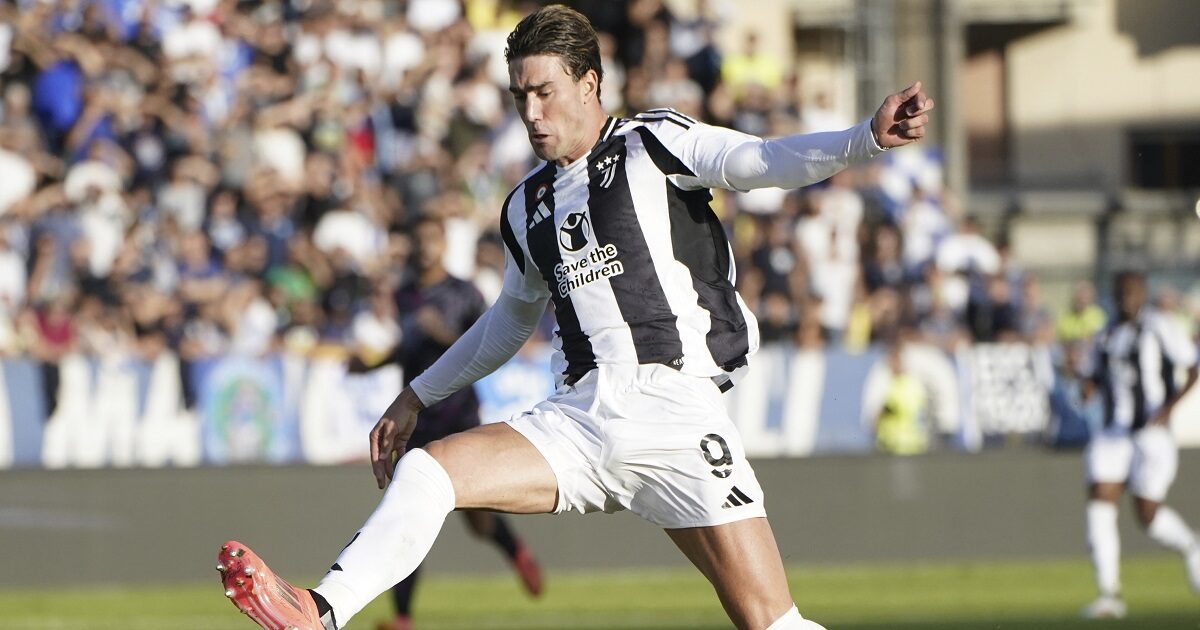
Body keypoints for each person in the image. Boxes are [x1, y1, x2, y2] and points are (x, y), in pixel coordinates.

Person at [215, 6, 934, 629]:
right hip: (580, 420)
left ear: (590, 84)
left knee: (768, 621)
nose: (531, 113)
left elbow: (762, 160)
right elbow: (507, 321)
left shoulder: (655, 143)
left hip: (674, 412)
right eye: (520, 96)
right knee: (430, 472)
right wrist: (415, 395)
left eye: (545, 93)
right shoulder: (525, 205)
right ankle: (322, 610)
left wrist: (863, 138)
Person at [351, 216, 544, 630]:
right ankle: (402, 617)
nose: (424, 248)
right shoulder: (404, 295)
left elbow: (485, 343)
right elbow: (407, 349)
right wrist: (371, 365)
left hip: (458, 414)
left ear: (442, 245)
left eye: (431, 240)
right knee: (407, 512)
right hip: (416, 420)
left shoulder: (464, 293)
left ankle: (517, 553)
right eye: (418, 240)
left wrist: (441, 332)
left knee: (477, 518)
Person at [1081, 271, 1200, 619]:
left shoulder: (1159, 327)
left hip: (1150, 433)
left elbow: (1193, 365)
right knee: (1100, 504)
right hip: (1113, 433)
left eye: (1132, 293)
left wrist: (1169, 408)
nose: (1126, 300)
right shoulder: (1104, 336)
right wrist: (1085, 386)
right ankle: (1109, 594)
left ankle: (1191, 545)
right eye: (1121, 293)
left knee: (1147, 514)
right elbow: (1090, 379)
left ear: (1143, 295)